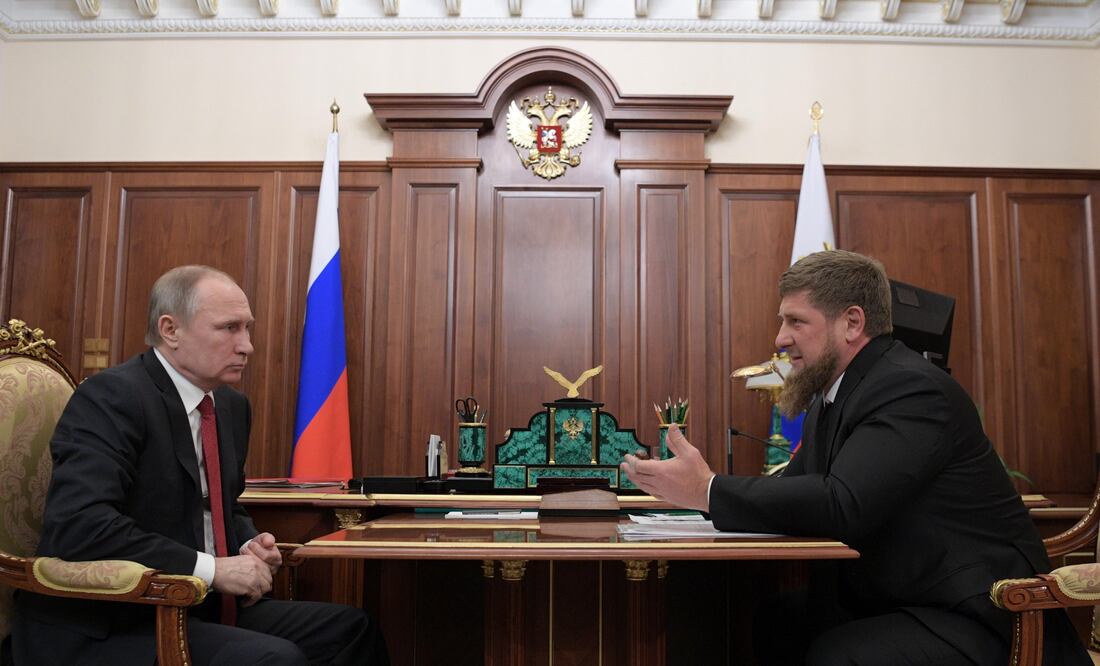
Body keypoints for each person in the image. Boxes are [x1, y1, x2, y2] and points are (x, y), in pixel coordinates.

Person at [622, 250, 1088, 665]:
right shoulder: (836, 394)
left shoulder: (909, 388)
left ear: (851, 322)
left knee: (837, 654)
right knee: (777, 619)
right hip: (907, 596)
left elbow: (844, 502)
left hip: (984, 613)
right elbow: (794, 490)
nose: (780, 338)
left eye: (796, 321)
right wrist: (698, 494)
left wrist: (707, 489)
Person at [12, 265, 389, 665]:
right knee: (277, 658)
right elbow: (80, 526)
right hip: (114, 620)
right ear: (170, 330)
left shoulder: (230, 406)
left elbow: (223, 505)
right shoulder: (112, 398)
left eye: (247, 328)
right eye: (229, 328)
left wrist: (247, 543)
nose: (247, 346)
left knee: (352, 630)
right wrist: (211, 569)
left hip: (199, 605)